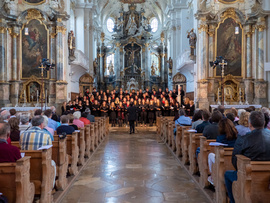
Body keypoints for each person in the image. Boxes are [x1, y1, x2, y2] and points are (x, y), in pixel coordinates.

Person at [225, 111, 270, 203]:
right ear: (264, 123)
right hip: (268, 178)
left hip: (248, 175)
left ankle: (233, 201)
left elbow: (235, 160)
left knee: (227, 174)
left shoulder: (243, 139)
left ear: (250, 124)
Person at [207, 118, 238, 185]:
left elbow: (217, 151)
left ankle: (212, 175)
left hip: (222, 159)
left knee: (210, 155)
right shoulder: (237, 136)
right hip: (234, 159)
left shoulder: (220, 138)